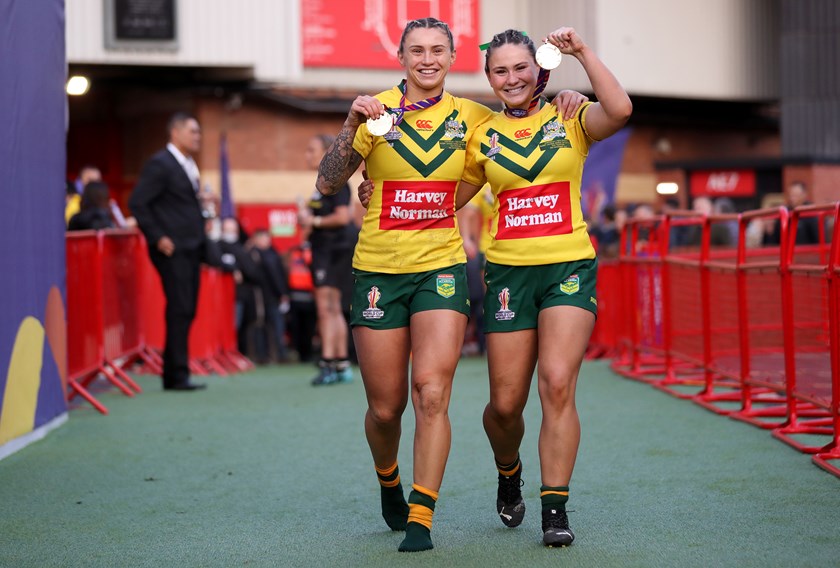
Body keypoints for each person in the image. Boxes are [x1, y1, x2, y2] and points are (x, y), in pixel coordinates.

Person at [328, 18, 587, 553]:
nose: (428, 59)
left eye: (438, 50)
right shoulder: (373, 110)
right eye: (417, 50)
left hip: (443, 268)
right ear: (401, 56)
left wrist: (562, 94)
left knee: (431, 390)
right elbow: (327, 180)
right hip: (377, 269)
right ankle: (389, 482)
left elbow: (512, 136)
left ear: (451, 58)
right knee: (384, 408)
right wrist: (349, 124)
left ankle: (421, 519)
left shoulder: (476, 120)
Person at [452, 27, 632, 547]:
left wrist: (582, 54)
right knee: (505, 406)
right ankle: (509, 473)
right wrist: (379, 189)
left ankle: (555, 508)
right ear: (490, 78)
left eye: (520, 68)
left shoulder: (570, 114)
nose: (512, 78)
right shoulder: (480, 133)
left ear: (539, 70)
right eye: (500, 71)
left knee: (556, 382)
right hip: (508, 274)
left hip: (568, 267)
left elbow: (618, 110)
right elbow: (446, 198)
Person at [128, 112, 207, 391]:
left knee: (186, 310)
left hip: (191, 248)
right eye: (192, 131)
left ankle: (177, 373)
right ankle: (175, 376)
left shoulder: (187, 164)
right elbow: (137, 203)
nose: (198, 137)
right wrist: (158, 236)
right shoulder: (160, 164)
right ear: (175, 133)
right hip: (172, 249)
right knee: (180, 309)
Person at [298, 134, 356, 385]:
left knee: (326, 308)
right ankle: (340, 363)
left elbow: (344, 217)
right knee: (332, 308)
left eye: (312, 149)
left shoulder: (337, 181)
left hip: (334, 250)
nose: (307, 155)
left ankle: (328, 363)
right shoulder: (320, 185)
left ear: (326, 151)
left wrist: (314, 221)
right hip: (327, 249)